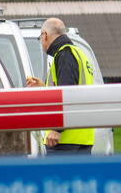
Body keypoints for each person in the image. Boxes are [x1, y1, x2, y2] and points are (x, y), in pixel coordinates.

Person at [25, 17, 96, 154]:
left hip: (65, 139)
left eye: (40, 37)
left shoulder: (64, 54)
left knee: (56, 176)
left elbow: (67, 92)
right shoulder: (79, 53)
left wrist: (57, 128)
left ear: (45, 35)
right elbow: (75, 90)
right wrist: (43, 88)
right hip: (83, 137)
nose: (41, 42)